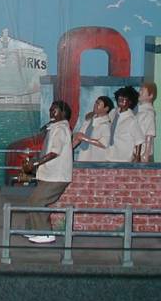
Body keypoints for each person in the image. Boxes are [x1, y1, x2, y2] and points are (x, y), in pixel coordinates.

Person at [23, 100, 72, 244]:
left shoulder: (61, 129)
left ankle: (45, 233)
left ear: (63, 113)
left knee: (38, 200)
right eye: (50, 110)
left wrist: (35, 163)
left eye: (54, 110)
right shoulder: (54, 128)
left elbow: (54, 152)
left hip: (56, 176)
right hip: (50, 175)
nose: (51, 112)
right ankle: (33, 229)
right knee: (33, 200)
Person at [105, 86, 145, 162]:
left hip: (123, 158)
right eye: (119, 98)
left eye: (124, 98)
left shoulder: (131, 120)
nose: (121, 100)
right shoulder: (113, 112)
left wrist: (137, 158)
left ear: (130, 102)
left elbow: (139, 141)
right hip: (109, 155)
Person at [73, 96, 114, 161]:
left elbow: (104, 143)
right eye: (95, 103)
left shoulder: (106, 124)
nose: (95, 105)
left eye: (98, 104)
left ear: (106, 108)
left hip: (97, 160)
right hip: (83, 157)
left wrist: (85, 138)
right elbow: (79, 136)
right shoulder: (89, 120)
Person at [136, 82, 157, 162]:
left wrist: (146, 153)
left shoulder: (148, 112)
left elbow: (149, 133)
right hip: (135, 151)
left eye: (142, 90)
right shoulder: (139, 110)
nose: (140, 92)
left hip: (141, 153)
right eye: (140, 90)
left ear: (150, 95)